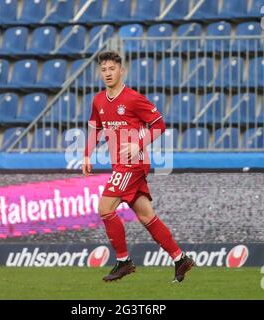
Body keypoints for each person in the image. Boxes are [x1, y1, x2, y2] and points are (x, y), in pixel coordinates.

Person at [82, 51, 194, 283]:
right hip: (120, 165)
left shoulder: (133, 98)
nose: (108, 73)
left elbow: (159, 125)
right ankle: (179, 258)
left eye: (112, 69)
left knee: (105, 208)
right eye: (104, 70)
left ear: (121, 71)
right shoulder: (99, 100)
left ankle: (124, 261)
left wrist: (137, 144)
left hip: (133, 163)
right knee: (146, 215)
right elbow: (95, 129)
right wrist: (86, 155)